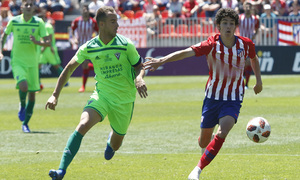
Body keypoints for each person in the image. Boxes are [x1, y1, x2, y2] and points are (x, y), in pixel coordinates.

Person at [144, 8, 263, 180]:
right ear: (218, 26)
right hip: (212, 97)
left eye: (231, 23)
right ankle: (205, 147)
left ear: (236, 26)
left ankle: (197, 170)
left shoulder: (246, 44)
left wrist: (258, 81)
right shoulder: (211, 44)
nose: (228, 26)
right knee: (203, 141)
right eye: (225, 23)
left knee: (224, 130)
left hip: (233, 99)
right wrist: (161, 60)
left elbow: (254, 58)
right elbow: (185, 52)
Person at [45, 6, 148, 180]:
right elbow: (69, 68)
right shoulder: (90, 47)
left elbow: (139, 66)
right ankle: (61, 170)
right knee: (83, 124)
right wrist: (55, 94)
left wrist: (139, 78)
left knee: (116, 145)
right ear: (101, 24)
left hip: (124, 100)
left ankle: (111, 142)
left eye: (117, 21)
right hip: (102, 96)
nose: (117, 25)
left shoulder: (125, 45)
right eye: (113, 21)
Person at [0, 0, 50, 133]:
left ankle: (25, 124)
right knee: (23, 86)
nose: (28, 7)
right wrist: (0, 51)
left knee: (32, 96)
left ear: (34, 8)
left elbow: (48, 43)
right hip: (17, 61)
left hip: (33, 63)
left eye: (30, 5)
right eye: (26, 5)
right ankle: (22, 105)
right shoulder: (14, 21)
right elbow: (4, 36)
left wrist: (37, 42)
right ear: (22, 7)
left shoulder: (38, 23)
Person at [70, 5, 99, 93]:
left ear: (88, 11)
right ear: (81, 11)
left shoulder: (92, 22)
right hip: (80, 45)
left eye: (86, 10)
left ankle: (83, 86)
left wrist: (96, 41)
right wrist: (74, 38)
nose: (85, 11)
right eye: (83, 10)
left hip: (90, 45)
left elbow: (98, 32)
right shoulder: (77, 21)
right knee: (84, 65)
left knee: (85, 64)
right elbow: (71, 31)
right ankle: (98, 68)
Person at [38, 6, 67, 91]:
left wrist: (49, 47)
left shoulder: (47, 26)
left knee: (56, 65)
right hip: (44, 49)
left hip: (49, 49)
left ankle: (65, 81)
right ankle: (38, 83)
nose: (40, 20)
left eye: (41, 18)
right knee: (38, 66)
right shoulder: (41, 26)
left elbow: (49, 38)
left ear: (44, 18)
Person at [239, 1, 259, 89]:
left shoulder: (255, 19)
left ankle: (246, 84)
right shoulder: (239, 18)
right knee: (241, 63)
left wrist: (254, 35)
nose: (247, 8)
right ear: (243, 8)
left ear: (251, 8)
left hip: (250, 43)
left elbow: (257, 28)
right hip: (240, 43)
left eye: (249, 7)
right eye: (246, 7)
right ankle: (242, 79)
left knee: (249, 62)